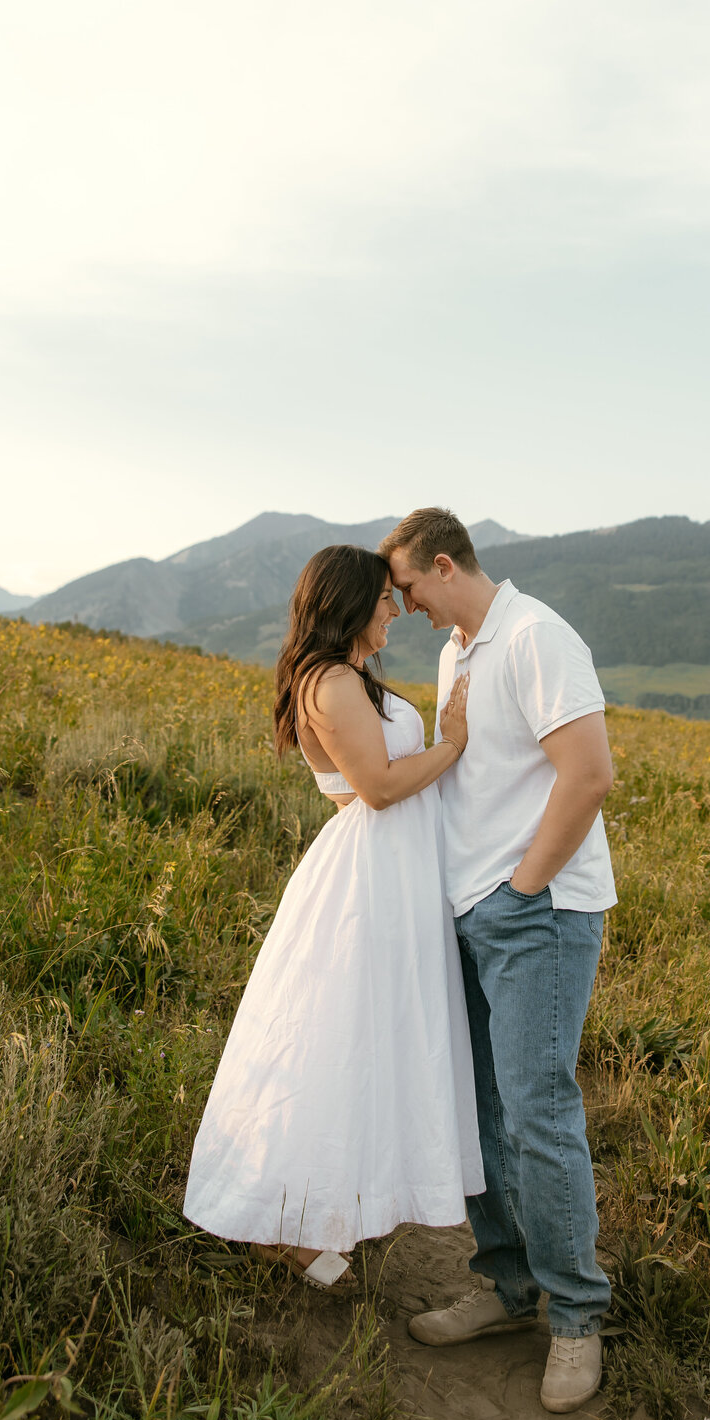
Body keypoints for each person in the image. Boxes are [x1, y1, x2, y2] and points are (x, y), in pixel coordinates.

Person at [183, 544, 483, 1287]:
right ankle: (288, 1218)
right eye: (384, 598)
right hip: (368, 879)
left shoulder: (343, 678)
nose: (395, 609)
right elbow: (376, 788)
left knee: (365, 1041)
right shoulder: (330, 681)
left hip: (387, 869)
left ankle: (333, 1205)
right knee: (335, 1041)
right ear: (351, 603)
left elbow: (358, 791)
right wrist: (452, 743)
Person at [380, 509, 616, 1413]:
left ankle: (577, 1317)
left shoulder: (536, 637)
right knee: (480, 1110)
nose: (405, 608)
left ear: (444, 564)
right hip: (473, 911)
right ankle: (512, 1288)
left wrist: (519, 890)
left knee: (538, 1114)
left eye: (408, 589)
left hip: (538, 914)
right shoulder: (458, 654)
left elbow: (587, 775)